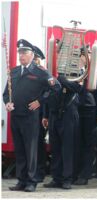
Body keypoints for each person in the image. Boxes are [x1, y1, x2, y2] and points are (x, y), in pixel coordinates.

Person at [3, 39, 57, 192]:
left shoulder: (39, 72)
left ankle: (32, 181)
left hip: (30, 117)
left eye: (24, 53)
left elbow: (55, 88)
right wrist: (7, 102)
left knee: (30, 151)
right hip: (16, 116)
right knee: (19, 150)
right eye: (19, 52)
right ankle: (22, 180)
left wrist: (40, 101)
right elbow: (6, 93)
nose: (21, 55)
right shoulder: (13, 72)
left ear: (32, 55)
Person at [73, 45, 97, 185]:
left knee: (88, 144)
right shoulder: (73, 71)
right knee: (76, 143)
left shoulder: (92, 72)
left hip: (89, 110)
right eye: (85, 55)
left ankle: (85, 175)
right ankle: (75, 172)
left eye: (90, 55)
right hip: (75, 109)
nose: (88, 58)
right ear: (80, 56)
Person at [32, 45, 48, 183]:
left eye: (37, 58)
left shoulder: (43, 72)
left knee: (38, 144)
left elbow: (47, 93)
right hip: (27, 113)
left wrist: (44, 115)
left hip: (39, 112)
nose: (35, 61)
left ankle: (40, 171)